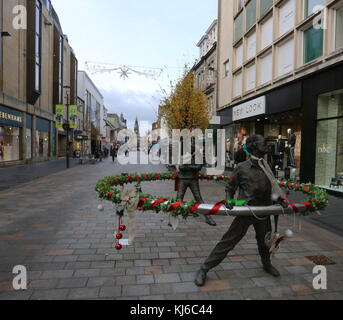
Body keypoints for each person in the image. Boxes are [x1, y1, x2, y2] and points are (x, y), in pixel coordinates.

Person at [194, 135, 283, 287]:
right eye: (263, 143)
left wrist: (279, 200)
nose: (267, 146)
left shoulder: (266, 166)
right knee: (229, 241)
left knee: (265, 241)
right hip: (246, 212)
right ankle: (204, 268)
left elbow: (272, 188)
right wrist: (229, 199)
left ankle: (266, 264)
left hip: (263, 211)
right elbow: (230, 187)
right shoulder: (242, 167)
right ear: (254, 146)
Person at [176, 151, 216, 227]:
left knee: (198, 197)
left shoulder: (198, 157)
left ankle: (208, 217)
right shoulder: (183, 155)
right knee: (179, 198)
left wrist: (188, 166)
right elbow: (180, 167)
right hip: (183, 179)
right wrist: (191, 167)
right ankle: (173, 218)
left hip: (193, 179)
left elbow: (198, 167)